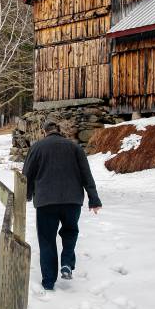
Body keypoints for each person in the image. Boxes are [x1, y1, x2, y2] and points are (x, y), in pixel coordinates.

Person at [22, 121, 102, 290]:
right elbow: (86, 174)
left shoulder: (37, 148)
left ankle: (49, 282)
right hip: (72, 201)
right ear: (59, 132)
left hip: (46, 202)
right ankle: (66, 262)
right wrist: (94, 199)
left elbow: (27, 175)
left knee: (47, 239)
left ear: (45, 133)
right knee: (70, 231)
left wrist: (27, 196)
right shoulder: (74, 148)